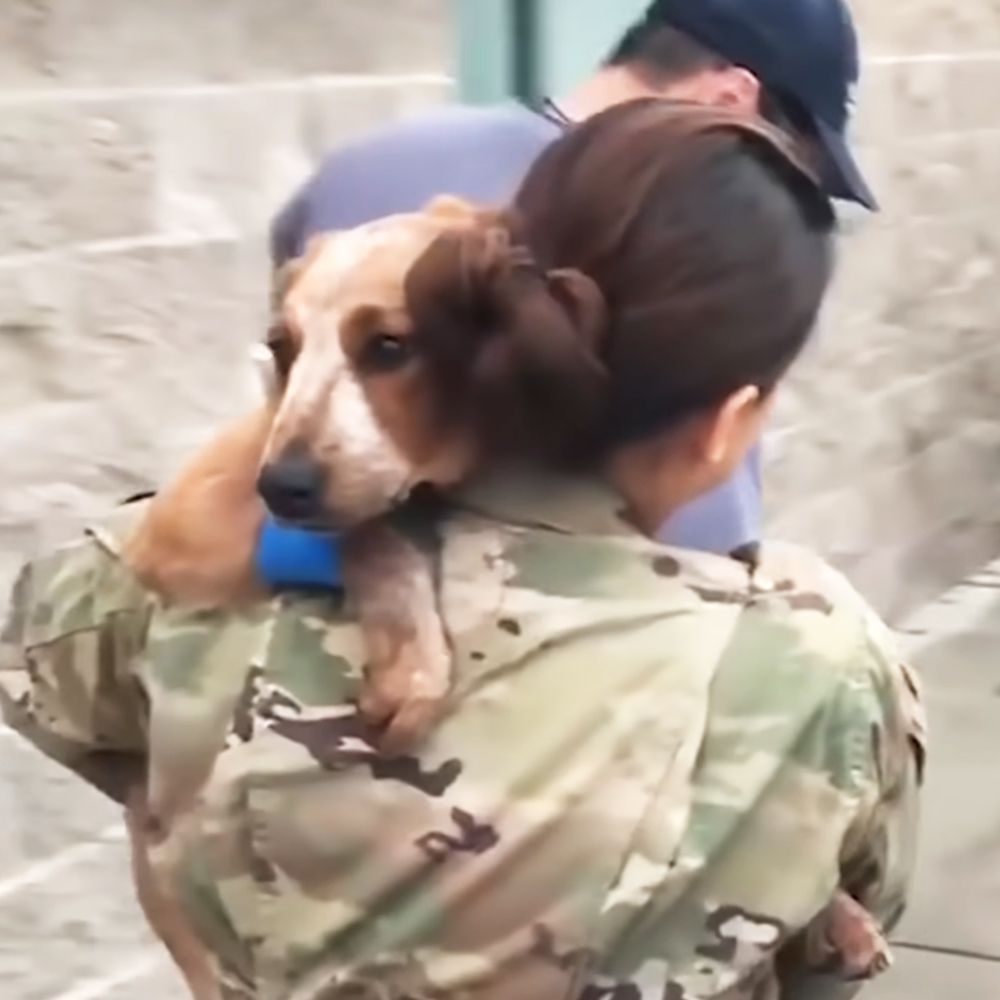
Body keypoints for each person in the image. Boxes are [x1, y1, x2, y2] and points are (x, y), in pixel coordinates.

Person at [0, 102, 923, 1000]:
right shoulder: (818, 661)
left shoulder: (177, 582)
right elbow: (842, 935)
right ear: (729, 427)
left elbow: (39, 654)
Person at [271, 0, 876, 556]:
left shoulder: (361, 167)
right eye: (784, 160)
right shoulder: (697, 238)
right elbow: (699, 516)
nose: (776, 190)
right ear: (729, 100)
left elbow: (288, 402)